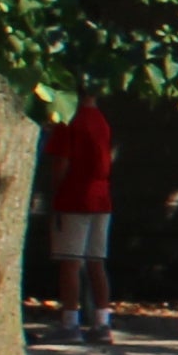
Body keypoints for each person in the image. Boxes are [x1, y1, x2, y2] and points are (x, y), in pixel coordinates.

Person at [44, 94, 119, 341]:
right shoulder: (101, 120)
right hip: (101, 198)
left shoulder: (69, 120)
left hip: (74, 197)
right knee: (96, 261)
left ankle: (70, 323)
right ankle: (102, 323)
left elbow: (60, 163)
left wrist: (54, 194)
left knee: (70, 262)